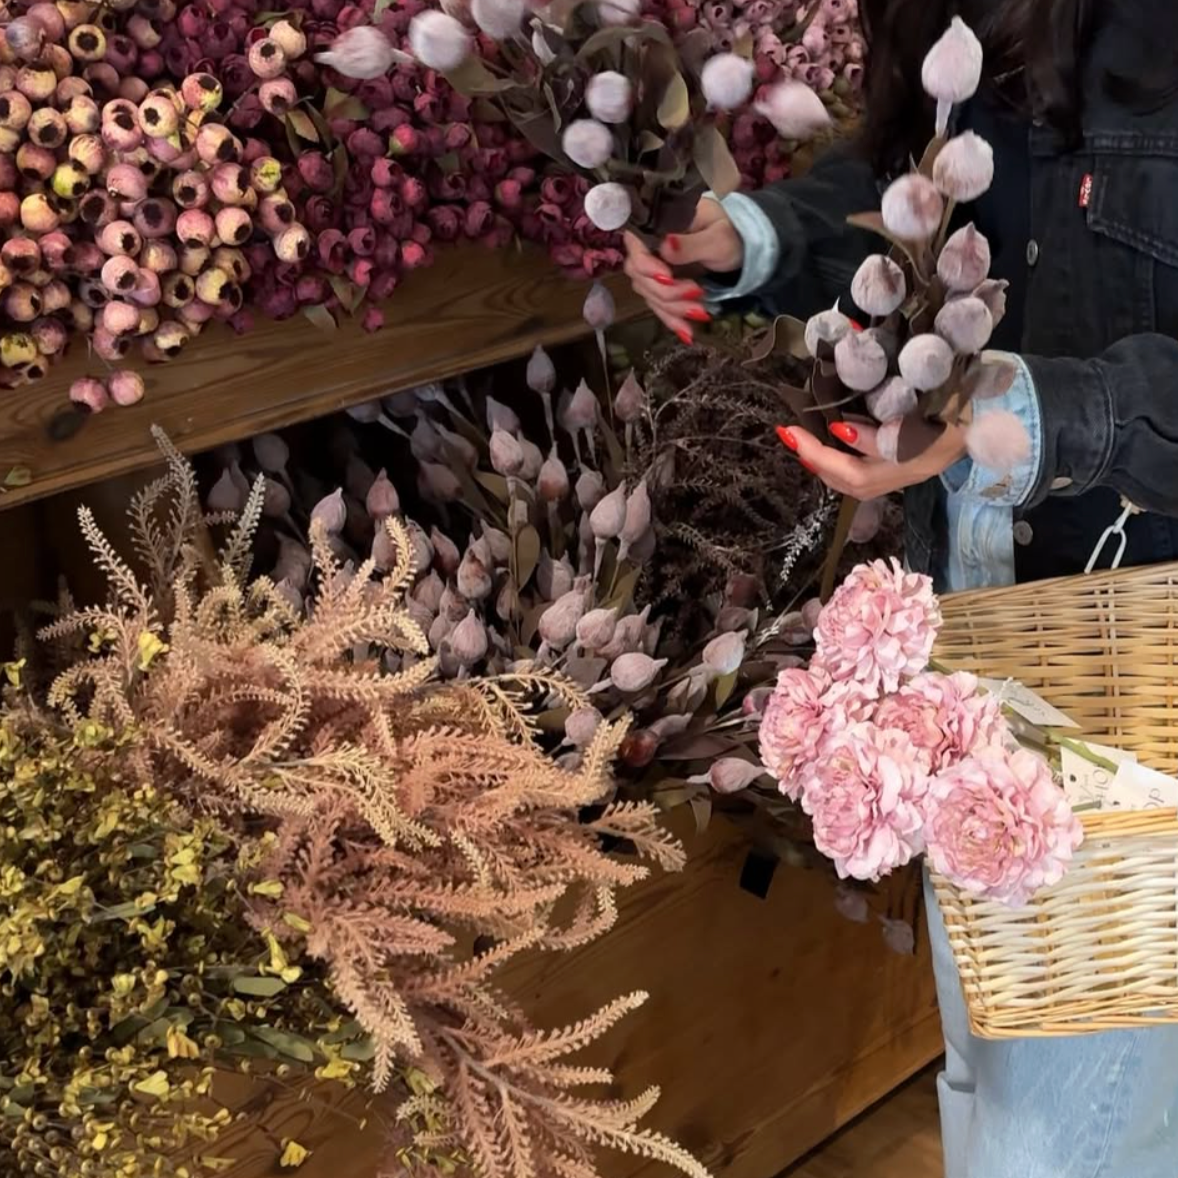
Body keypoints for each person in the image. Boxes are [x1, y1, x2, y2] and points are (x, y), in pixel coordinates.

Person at [624, 2, 1178, 1175]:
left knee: (1058, 1142)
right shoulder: (969, 20)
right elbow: (907, 198)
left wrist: (1008, 413)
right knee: (991, 1075)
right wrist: (747, 236)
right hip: (982, 649)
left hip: (1140, 675)